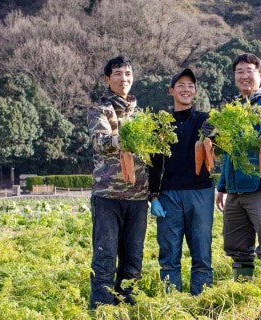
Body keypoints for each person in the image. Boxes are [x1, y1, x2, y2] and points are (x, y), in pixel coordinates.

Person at [212, 53, 261, 280]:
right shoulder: (233, 107)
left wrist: (226, 129)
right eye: (239, 72)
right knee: (238, 249)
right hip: (236, 189)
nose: (244, 76)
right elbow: (227, 151)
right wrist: (222, 186)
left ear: (260, 75)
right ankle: (244, 295)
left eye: (249, 71)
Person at [87, 56, 149, 308]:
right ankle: (101, 309)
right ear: (107, 79)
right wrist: (128, 137)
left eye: (128, 74)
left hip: (138, 197)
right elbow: (100, 142)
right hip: (108, 196)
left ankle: (127, 308)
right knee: (105, 257)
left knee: (133, 259)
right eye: (118, 74)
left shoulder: (142, 114)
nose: (124, 79)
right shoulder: (99, 110)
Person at [148, 68, 215, 295]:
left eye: (190, 86)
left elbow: (220, 147)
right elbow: (154, 162)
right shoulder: (161, 123)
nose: (186, 90)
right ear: (171, 91)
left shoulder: (206, 120)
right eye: (181, 85)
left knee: (202, 256)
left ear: (195, 91)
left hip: (201, 193)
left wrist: (214, 134)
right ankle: (172, 305)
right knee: (169, 255)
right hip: (169, 195)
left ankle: (203, 303)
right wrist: (154, 196)